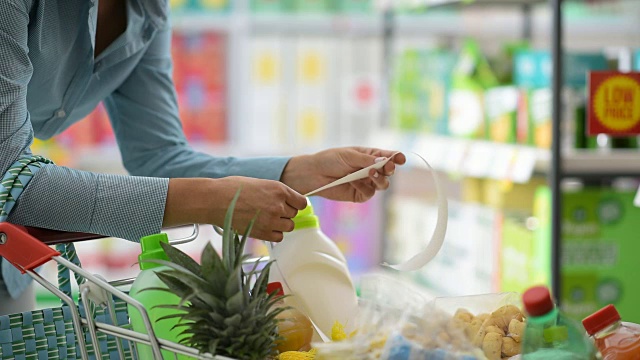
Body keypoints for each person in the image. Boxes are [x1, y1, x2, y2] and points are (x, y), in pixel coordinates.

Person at [0, 0, 405, 314]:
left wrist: (301, 172)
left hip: (8, 269)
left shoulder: (147, 12)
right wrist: (213, 201)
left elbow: (159, 156)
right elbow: (9, 177)